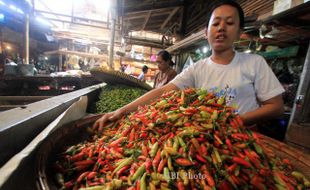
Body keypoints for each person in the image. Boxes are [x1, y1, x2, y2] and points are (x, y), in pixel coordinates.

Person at [94, 0, 284, 130]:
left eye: (230, 23)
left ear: (239, 32)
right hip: (209, 138)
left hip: (244, 140)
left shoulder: (254, 63)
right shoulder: (197, 68)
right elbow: (162, 92)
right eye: (216, 23)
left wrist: (236, 121)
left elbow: (276, 106)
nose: (221, 28)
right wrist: (121, 110)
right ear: (206, 32)